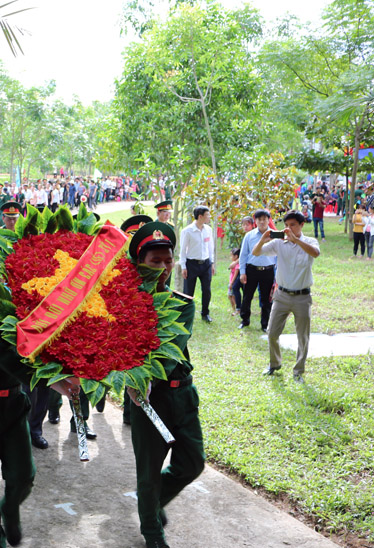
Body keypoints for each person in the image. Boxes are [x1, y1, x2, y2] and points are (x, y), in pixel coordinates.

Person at [0, 233, 78, 548]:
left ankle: (9, 508)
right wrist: (57, 382)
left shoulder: (19, 302)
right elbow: (10, 357)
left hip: (13, 405)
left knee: (24, 475)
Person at [127, 222, 205, 548]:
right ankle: (152, 534)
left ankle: (154, 501)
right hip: (148, 399)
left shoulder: (182, 303)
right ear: (138, 263)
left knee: (192, 463)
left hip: (181, 392)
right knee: (148, 472)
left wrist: (145, 375)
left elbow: (170, 347)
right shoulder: (124, 305)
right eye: (154, 261)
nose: (162, 267)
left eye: (167, 260)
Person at [252, 211, 320, 382]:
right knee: (272, 332)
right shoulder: (278, 243)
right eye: (286, 225)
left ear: (302, 225)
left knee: (302, 337)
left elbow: (315, 253)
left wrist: (295, 240)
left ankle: (298, 371)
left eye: (293, 225)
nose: (288, 229)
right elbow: (256, 253)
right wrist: (263, 239)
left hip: (302, 297)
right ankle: (274, 364)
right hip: (281, 295)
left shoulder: (310, 241)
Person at [238, 209, 276, 332]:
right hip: (251, 270)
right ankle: (245, 320)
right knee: (247, 296)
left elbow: (279, 255)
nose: (262, 222)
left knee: (266, 299)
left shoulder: (274, 235)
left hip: (268, 271)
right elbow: (243, 255)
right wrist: (242, 272)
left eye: (265, 219)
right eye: (259, 219)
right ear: (256, 221)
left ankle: (265, 324)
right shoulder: (249, 235)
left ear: (268, 220)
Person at [179, 206, 214, 322]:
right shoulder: (187, 231)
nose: (209, 217)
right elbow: (182, 250)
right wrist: (183, 266)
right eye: (207, 215)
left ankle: (205, 313)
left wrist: (212, 262)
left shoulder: (208, 229)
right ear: (200, 216)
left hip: (206, 264)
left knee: (207, 290)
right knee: (188, 292)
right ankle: (187, 314)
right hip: (191, 264)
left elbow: (210, 247)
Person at [228, 248, 240, 316]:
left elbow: (235, 274)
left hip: (233, 282)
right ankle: (234, 308)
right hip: (231, 282)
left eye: (231, 256)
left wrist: (231, 283)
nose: (230, 257)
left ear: (236, 256)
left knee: (232, 296)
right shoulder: (235, 263)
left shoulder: (237, 265)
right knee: (230, 296)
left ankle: (236, 309)